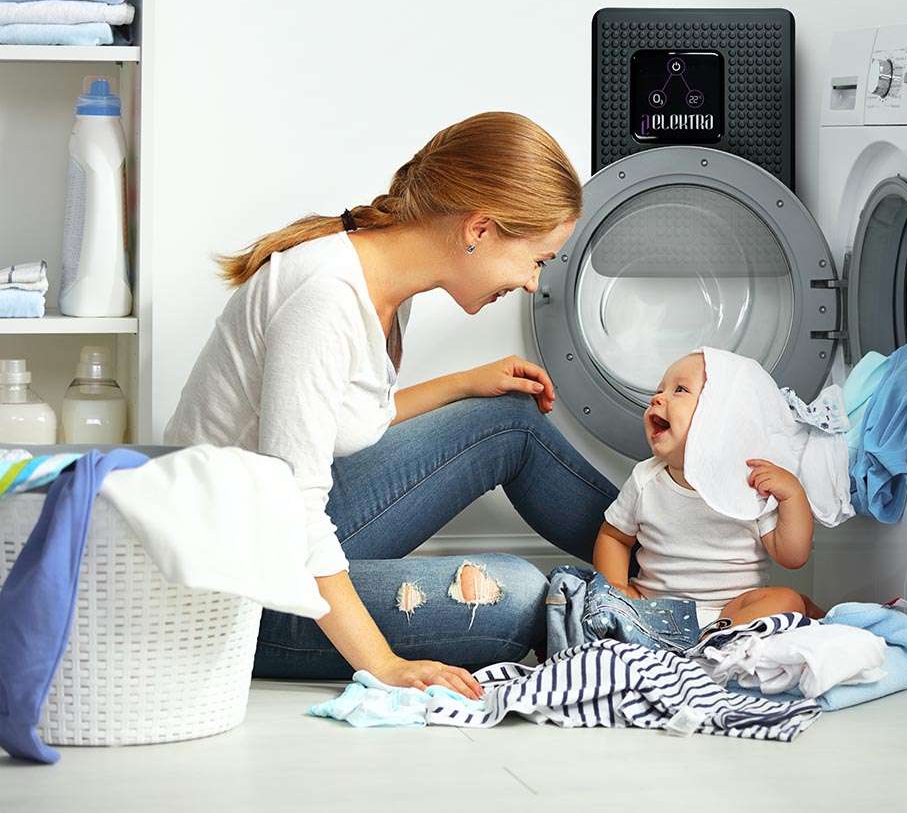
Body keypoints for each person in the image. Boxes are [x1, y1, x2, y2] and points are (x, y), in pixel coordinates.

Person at [165, 112, 618, 699]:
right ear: (479, 228)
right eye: (537, 259)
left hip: (272, 535)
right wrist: (383, 665)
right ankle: (642, 606)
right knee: (513, 595)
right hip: (237, 589)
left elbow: (337, 421)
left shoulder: (382, 284)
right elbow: (293, 508)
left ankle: (672, 569)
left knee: (508, 416)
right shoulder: (325, 299)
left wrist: (462, 383)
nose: (534, 283)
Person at [592, 352, 824, 630]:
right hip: (655, 608)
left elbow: (793, 556)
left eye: (679, 390)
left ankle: (716, 637)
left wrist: (792, 496)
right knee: (587, 598)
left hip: (733, 609)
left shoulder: (750, 481)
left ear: (721, 415)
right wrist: (617, 590)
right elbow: (614, 537)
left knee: (788, 601)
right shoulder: (646, 479)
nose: (657, 398)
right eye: (659, 390)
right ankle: (687, 641)